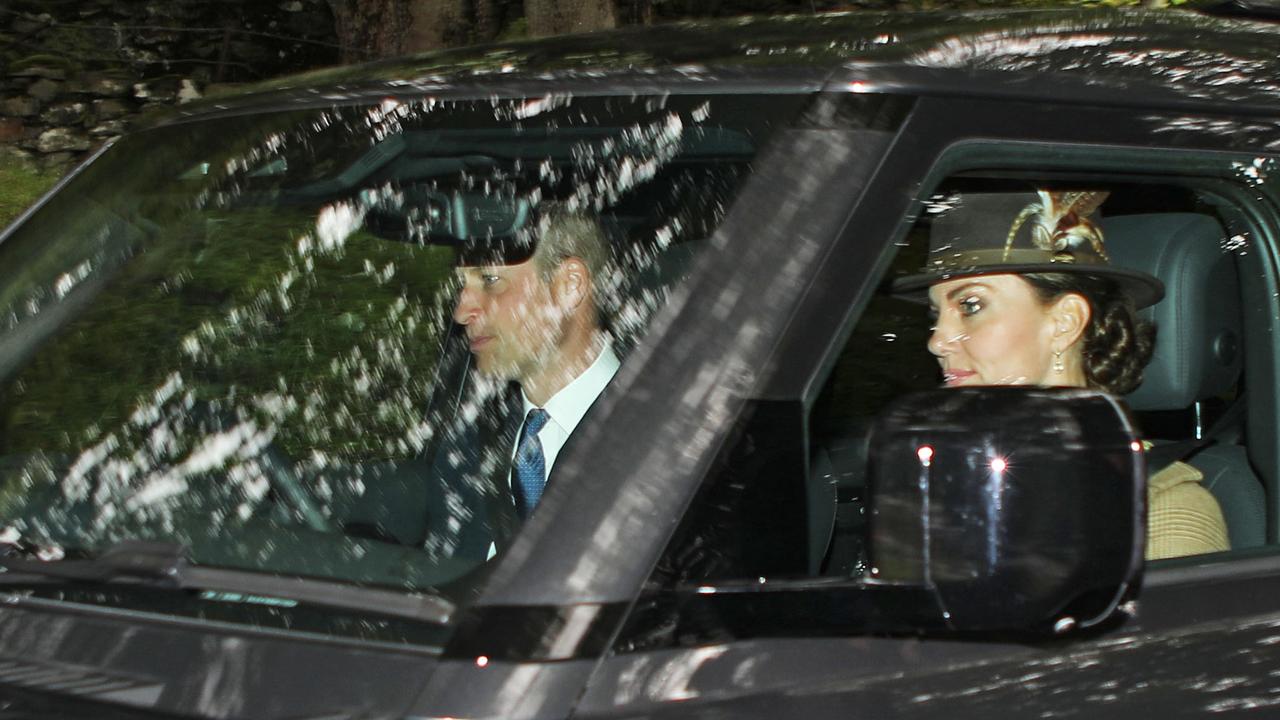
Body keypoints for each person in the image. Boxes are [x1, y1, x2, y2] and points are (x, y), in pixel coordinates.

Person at [893, 190, 1229, 561]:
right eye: (934, 316)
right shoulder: (957, 479)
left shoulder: (1163, 510)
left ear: (1064, 323)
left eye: (971, 305)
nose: (937, 341)